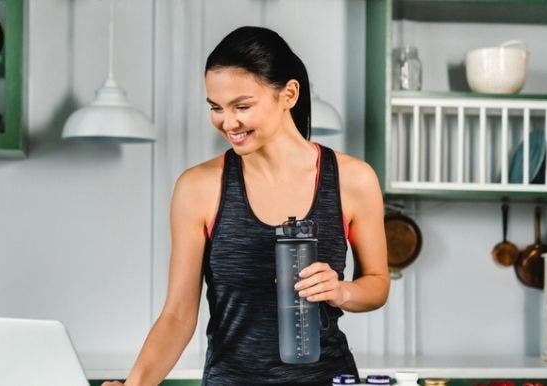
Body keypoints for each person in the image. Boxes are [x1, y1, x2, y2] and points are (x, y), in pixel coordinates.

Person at [103, 26, 389, 386]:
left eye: (242, 106)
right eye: (216, 108)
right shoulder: (198, 188)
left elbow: (377, 284)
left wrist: (342, 291)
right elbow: (177, 315)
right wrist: (136, 383)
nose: (228, 122)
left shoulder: (353, 179)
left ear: (289, 94)